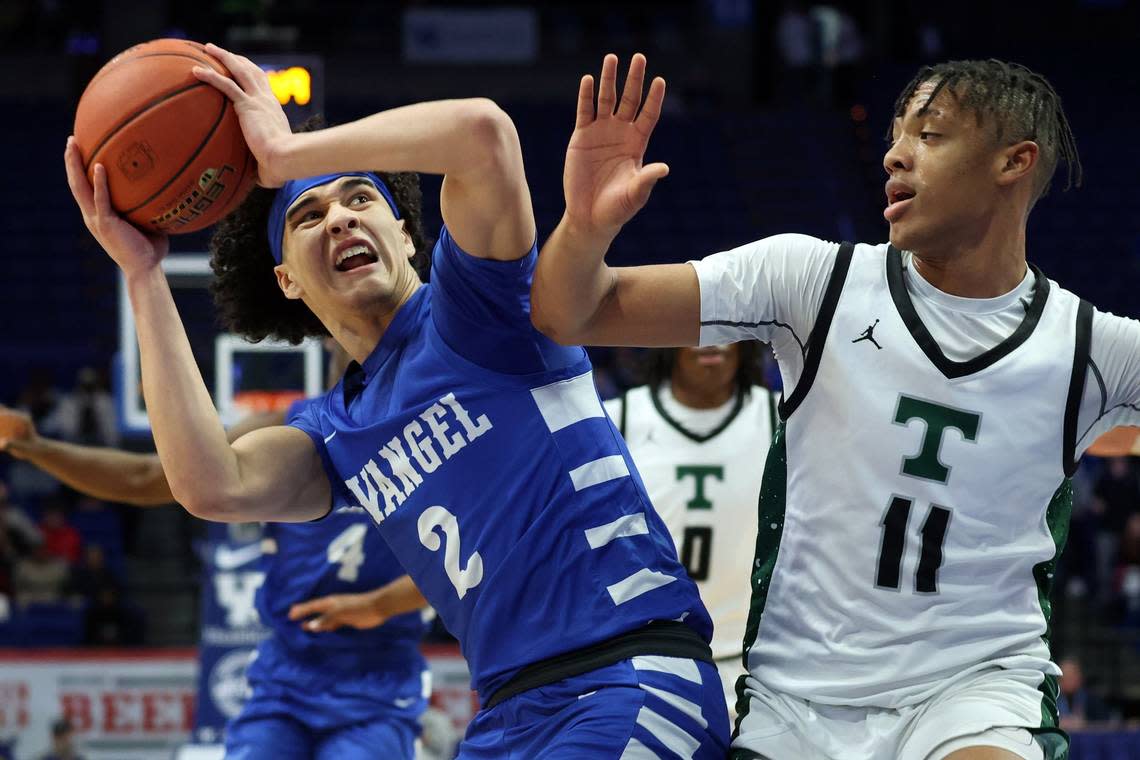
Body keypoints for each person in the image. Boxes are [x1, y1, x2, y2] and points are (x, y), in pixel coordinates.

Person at [63, 43, 728, 758]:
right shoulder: (334, 428)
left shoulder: (476, 306)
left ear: (407, 236)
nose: (343, 218)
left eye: (360, 197)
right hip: (510, 715)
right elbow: (208, 485)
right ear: (286, 279)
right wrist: (142, 274)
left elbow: (481, 134)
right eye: (309, 214)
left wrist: (287, 156)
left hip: (630, 677)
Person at [531, 54, 1140, 759]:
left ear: (1015, 162)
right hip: (798, 700)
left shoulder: (1095, 347)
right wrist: (583, 225)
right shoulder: (813, 281)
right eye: (895, 135)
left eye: (931, 135)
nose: (895, 156)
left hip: (976, 693)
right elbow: (571, 314)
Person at [0, 356, 432, 759]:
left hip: (378, 676)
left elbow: (479, 560)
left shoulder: (431, 431)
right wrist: (38, 447)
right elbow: (145, 477)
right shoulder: (283, 425)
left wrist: (378, 605)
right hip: (287, 675)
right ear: (325, 336)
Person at [604, 342, 775, 719]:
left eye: (725, 325)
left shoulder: (783, 417)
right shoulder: (616, 420)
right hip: (649, 665)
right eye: (699, 326)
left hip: (760, 666)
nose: (711, 340)